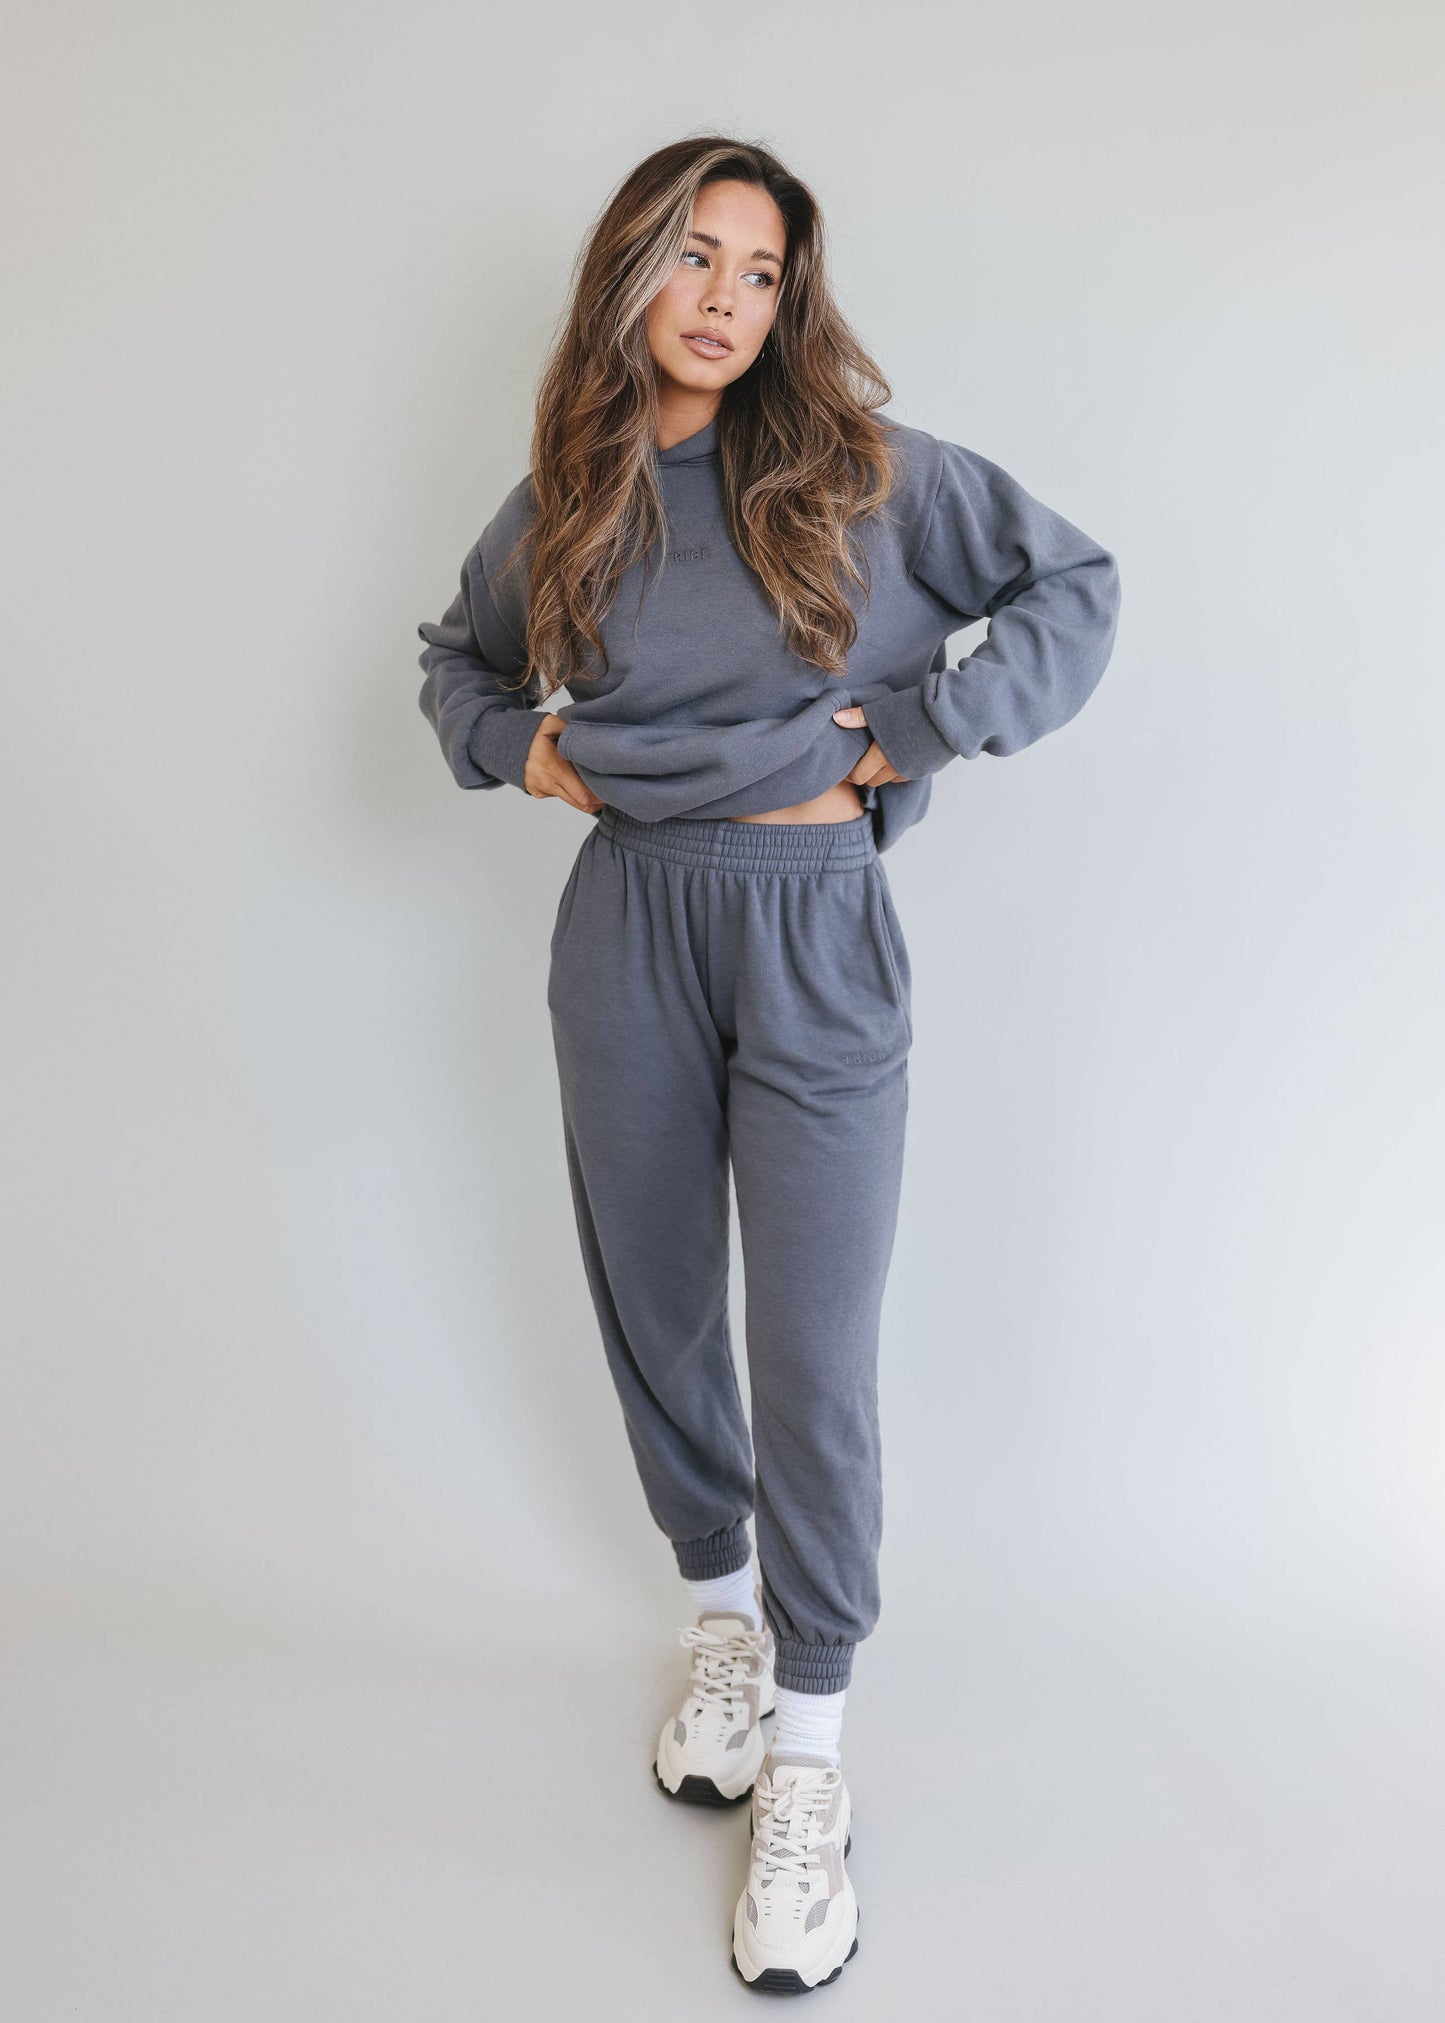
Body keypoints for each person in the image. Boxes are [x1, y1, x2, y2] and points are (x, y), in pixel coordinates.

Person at [417, 135, 1121, 1994]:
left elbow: (1071, 585)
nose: (727, 299)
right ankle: (720, 1627)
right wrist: (518, 751)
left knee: (808, 1348)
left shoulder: (863, 471)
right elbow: (457, 666)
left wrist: (912, 733)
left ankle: (808, 1746)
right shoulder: (566, 499)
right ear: (629, 271)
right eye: (695, 257)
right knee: (656, 1306)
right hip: (626, 924)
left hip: (812, 924)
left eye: (760, 270)